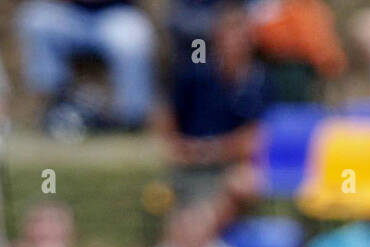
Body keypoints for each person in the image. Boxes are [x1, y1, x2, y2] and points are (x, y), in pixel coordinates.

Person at [159, 2, 268, 204]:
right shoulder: (194, 74)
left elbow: (257, 137)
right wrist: (184, 149)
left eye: (240, 34)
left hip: (230, 166)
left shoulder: (259, 80)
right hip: (190, 166)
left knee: (241, 183)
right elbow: (168, 117)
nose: (235, 42)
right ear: (216, 37)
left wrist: (213, 150)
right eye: (229, 33)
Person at [16, 0, 156, 132]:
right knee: (36, 19)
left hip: (116, 13)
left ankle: (132, 119)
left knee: (133, 38)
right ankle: (56, 104)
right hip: (71, 12)